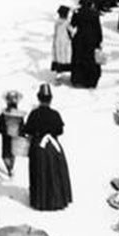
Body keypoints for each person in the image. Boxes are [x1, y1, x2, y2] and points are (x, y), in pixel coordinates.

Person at [22, 83, 72, 211]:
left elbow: (27, 130)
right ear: (50, 99)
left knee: (40, 172)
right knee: (55, 173)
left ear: (39, 98)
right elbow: (60, 131)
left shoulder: (34, 114)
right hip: (53, 147)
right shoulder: (55, 114)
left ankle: (40, 200)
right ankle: (57, 199)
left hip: (38, 146)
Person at [69, 0, 103, 88]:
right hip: (92, 39)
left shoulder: (77, 13)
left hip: (80, 39)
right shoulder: (94, 14)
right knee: (90, 60)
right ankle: (90, 81)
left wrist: (71, 37)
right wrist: (99, 41)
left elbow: (72, 25)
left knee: (79, 59)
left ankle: (78, 80)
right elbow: (98, 29)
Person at [51, 5, 72, 78]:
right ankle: (65, 71)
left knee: (58, 56)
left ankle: (58, 72)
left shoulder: (57, 22)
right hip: (65, 43)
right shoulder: (67, 23)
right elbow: (72, 31)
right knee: (65, 57)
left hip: (57, 42)